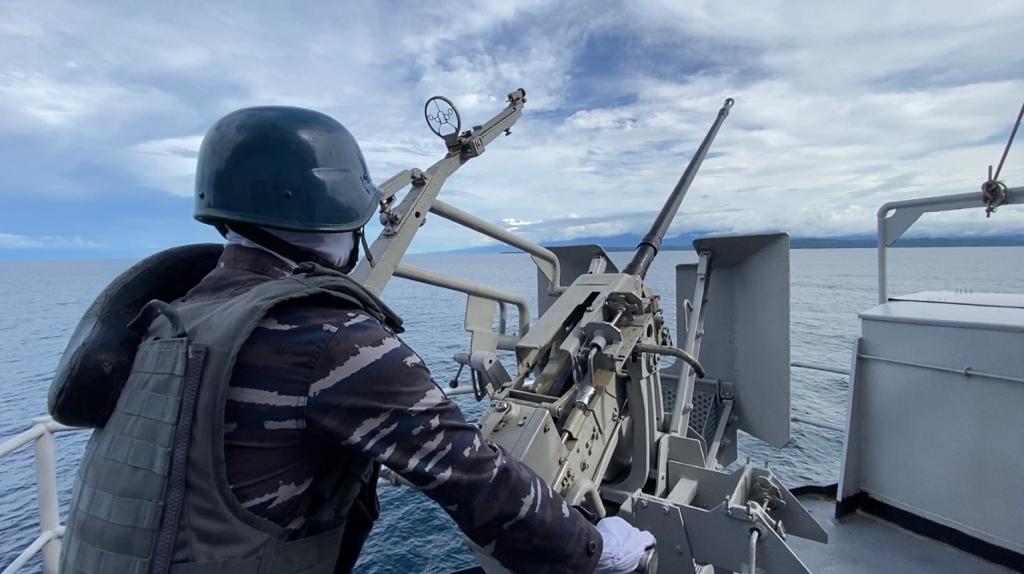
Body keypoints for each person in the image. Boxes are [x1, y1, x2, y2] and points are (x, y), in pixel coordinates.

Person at [57, 106, 655, 574]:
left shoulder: (172, 315)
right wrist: (597, 547)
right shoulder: (329, 340)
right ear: (337, 209)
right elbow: (476, 479)